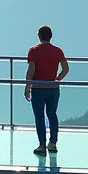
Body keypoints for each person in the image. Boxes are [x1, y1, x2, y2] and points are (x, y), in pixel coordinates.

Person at [25, 25, 69, 155]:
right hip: (53, 88)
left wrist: (27, 86)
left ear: (39, 36)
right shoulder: (58, 51)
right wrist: (57, 78)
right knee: (52, 115)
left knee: (39, 117)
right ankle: (53, 143)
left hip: (38, 88)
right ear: (51, 36)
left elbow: (31, 70)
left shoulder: (33, 50)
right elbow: (66, 69)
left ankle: (42, 145)